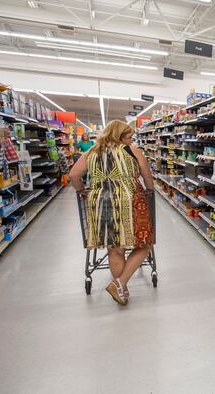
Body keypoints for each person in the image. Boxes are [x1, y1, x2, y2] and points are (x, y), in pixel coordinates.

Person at [69, 120, 155, 305]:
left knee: (115, 247)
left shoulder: (91, 152)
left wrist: (83, 192)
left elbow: (74, 176)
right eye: (128, 137)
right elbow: (147, 175)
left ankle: (121, 290)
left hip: (100, 204)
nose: (130, 140)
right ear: (118, 136)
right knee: (145, 243)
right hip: (130, 201)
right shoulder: (131, 150)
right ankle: (120, 283)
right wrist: (150, 190)